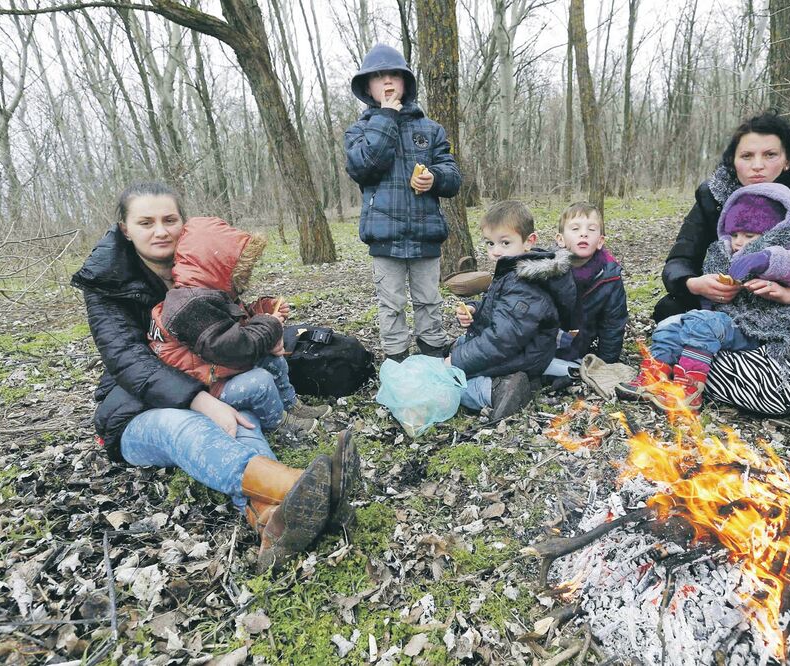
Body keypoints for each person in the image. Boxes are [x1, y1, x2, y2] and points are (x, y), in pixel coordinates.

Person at [71, 182, 358, 572]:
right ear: (125, 228)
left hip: (212, 388)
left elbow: (228, 341)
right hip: (137, 410)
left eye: (169, 219)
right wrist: (200, 400)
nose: (160, 231)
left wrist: (266, 328)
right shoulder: (107, 284)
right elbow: (127, 361)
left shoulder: (200, 266)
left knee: (239, 419)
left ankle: (269, 518)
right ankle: (300, 489)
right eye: (146, 222)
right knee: (188, 426)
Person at [622, 182, 790, 418]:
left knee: (705, 324)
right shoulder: (721, 250)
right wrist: (709, 289)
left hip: (764, 323)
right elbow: (684, 269)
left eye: (749, 236)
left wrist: (767, 260)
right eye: (735, 234)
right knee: (671, 323)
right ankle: (653, 377)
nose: (739, 242)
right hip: (725, 316)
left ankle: (688, 391)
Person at [651, 111, 790, 416]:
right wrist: (695, 283)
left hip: (782, 304)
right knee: (667, 309)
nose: (757, 165)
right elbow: (679, 259)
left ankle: (712, 359)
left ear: (787, 160)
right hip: (722, 304)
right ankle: (719, 360)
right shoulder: (713, 196)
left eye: (769, 154)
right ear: (733, 160)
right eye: (747, 155)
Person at [148, 217, 322, 433]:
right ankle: (279, 423)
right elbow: (233, 347)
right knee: (260, 381)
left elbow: (237, 322)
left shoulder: (207, 292)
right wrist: (270, 324)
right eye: (239, 267)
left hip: (220, 369)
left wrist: (264, 310)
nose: (246, 273)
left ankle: (290, 403)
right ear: (216, 264)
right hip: (207, 388)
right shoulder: (189, 306)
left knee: (273, 359)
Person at [344, 43, 462, 362]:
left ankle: (434, 356)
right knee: (391, 303)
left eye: (394, 74)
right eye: (378, 76)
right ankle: (396, 361)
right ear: (367, 87)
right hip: (384, 237)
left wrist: (434, 178)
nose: (387, 82)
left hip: (425, 234)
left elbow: (453, 176)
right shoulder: (358, 131)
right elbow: (365, 166)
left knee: (429, 300)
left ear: (405, 82)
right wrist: (386, 118)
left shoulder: (430, 129)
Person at [448, 201, 577, 422]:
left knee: (452, 383)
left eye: (505, 243)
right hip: (521, 347)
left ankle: (497, 388)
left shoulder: (526, 284)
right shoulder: (513, 270)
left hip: (523, 354)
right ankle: (521, 378)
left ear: (529, 241)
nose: (496, 251)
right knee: (457, 349)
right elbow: (500, 309)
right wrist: (475, 310)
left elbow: (502, 340)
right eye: (490, 243)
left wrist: (456, 362)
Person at [551, 202, 628, 370]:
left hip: (581, 345)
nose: (584, 234)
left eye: (591, 230)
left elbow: (613, 326)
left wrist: (606, 366)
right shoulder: (547, 269)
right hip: (544, 344)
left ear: (600, 241)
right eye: (575, 229)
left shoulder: (610, 276)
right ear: (560, 239)